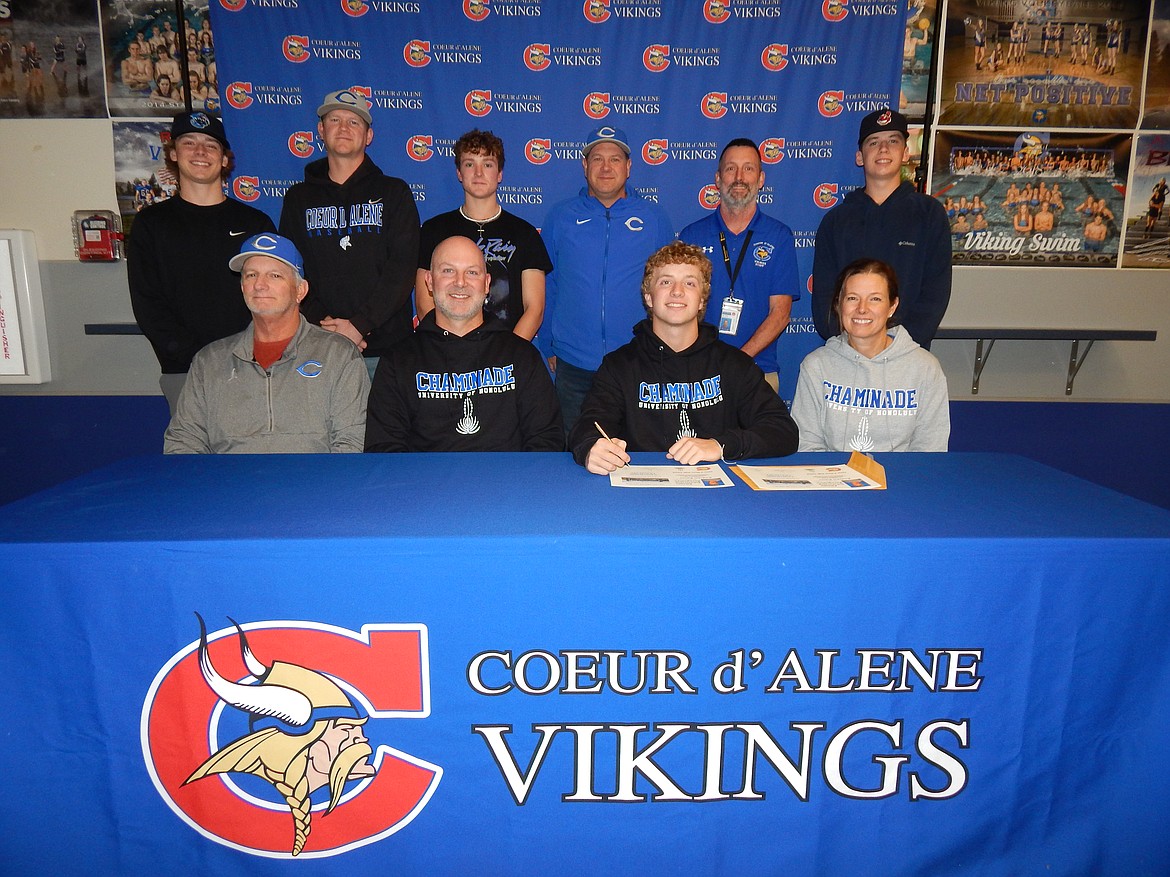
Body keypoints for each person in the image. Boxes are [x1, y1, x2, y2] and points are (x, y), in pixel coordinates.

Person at [568, 242, 798, 474]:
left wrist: (721, 445)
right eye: (665, 282)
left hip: (719, 497)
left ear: (701, 300)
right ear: (648, 297)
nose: (677, 291)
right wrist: (591, 448)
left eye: (689, 283)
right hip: (641, 494)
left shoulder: (733, 365)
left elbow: (782, 430)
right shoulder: (619, 366)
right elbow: (588, 425)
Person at [164, 233, 369, 454]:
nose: (260, 285)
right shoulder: (209, 361)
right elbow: (183, 442)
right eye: (251, 275)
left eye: (274, 276)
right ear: (242, 287)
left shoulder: (338, 355)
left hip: (312, 485)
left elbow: (352, 444)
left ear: (300, 290)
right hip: (228, 486)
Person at [127, 111, 276, 413]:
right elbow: (147, 303)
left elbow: (275, 297)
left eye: (211, 145)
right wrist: (192, 357)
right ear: (172, 153)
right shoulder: (151, 224)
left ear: (224, 159)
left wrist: (253, 353)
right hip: (185, 370)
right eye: (189, 142)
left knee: (256, 457)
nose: (200, 152)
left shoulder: (254, 222)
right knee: (192, 458)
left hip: (252, 365)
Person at [366, 236, 563, 453]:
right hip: (424, 486)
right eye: (448, 271)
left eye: (472, 272)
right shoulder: (397, 361)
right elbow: (383, 449)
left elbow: (547, 441)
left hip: (507, 485)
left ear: (487, 283)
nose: (460, 282)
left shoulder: (523, 356)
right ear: (429, 281)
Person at [279, 89, 420, 379]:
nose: (344, 128)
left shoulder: (394, 193)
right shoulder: (298, 198)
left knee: (385, 427)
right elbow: (291, 271)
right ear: (321, 129)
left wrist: (359, 325)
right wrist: (326, 326)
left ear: (368, 135)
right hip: (318, 347)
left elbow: (403, 268)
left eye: (354, 122)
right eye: (334, 119)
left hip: (387, 351)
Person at [542, 125, 674, 433]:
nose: (605, 167)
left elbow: (670, 288)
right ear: (585, 166)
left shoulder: (654, 218)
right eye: (597, 158)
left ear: (628, 167)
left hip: (637, 361)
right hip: (573, 363)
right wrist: (548, 344)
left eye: (615, 159)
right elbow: (547, 284)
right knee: (576, 453)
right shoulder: (560, 216)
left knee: (639, 455)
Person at [812, 108, 951, 349]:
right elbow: (825, 297)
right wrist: (852, 344)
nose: (883, 149)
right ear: (859, 157)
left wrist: (894, 346)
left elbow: (935, 294)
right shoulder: (835, 222)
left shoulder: (929, 215)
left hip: (907, 356)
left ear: (906, 153)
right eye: (873, 142)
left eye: (893, 141)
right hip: (846, 356)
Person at [678, 138, 799, 393]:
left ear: (761, 179)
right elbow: (679, 310)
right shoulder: (692, 236)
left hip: (757, 372)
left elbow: (780, 314)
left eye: (749, 168)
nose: (739, 177)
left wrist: (736, 362)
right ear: (718, 178)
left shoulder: (779, 236)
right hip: (699, 373)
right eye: (731, 169)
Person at [793, 259, 949, 453]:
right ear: (838, 304)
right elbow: (807, 443)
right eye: (852, 298)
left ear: (892, 306)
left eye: (875, 299)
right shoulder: (816, 366)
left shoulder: (925, 368)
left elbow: (930, 449)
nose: (862, 308)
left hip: (903, 480)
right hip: (833, 480)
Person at [416, 129, 551, 340]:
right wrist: (450, 349)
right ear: (459, 173)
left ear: (499, 174)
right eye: (469, 164)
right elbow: (425, 303)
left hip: (507, 354)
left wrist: (508, 352)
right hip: (446, 354)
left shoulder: (525, 234)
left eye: (487, 164)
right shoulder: (434, 230)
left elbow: (534, 309)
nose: (478, 173)